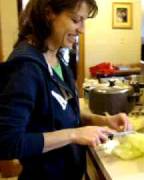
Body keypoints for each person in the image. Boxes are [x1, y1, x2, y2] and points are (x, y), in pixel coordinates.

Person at [0, 0, 132, 179]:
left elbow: (66, 115)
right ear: (49, 14)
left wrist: (102, 121)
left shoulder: (58, 57)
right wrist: (73, 135)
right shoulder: (26, 68)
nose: (82, 29)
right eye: (76, 20)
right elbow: (7, 142)